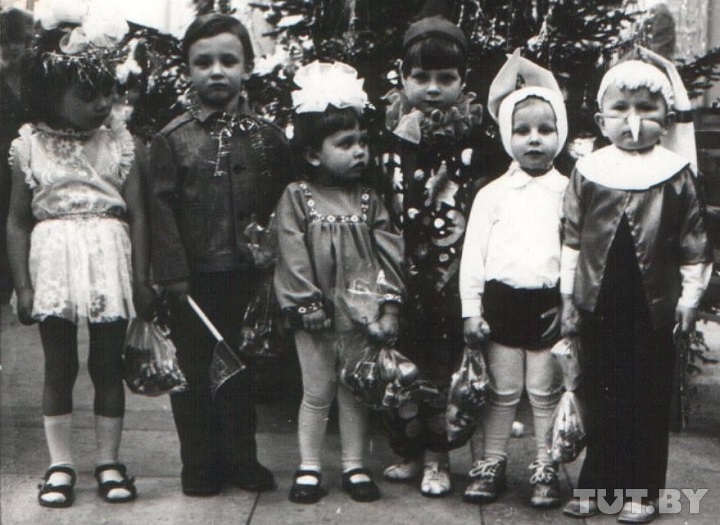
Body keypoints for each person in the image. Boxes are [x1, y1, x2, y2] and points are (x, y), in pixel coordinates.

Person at [5, 7, 154, 508]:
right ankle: (60, 464)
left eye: (106, 90)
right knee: (59, 365)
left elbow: (138, 214)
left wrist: (141, 278)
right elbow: (17, 220)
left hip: (108, 259)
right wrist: (23, 285)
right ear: (52, 93)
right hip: (54, 260)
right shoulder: (29, 148)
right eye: (86, 94)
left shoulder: (119, 144)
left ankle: (109, 461)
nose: (101, 103)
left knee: (107, 365)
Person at [560, 48, 712, 524]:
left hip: (652, 307)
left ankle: (641, 490)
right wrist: (567, 297)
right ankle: (597, 483)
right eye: (621, 109)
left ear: (665, 117)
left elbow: (694, 243)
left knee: (645, 396)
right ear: (601, 119)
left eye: (647, 110)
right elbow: (570, 239)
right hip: (599, 301)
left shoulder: (675, 175)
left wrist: (690, 298)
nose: (633, 122)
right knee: (600, 392)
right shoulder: (589, 171)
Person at [147, 13, 293, 497]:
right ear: (187, 69)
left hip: (250, 276)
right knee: (194, 372)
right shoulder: (173, 139)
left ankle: (241, 459)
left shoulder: (269, 138)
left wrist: (278, 264)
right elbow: (160, 210)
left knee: (243, 370)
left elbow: (285, 204)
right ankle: (198, 463)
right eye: (203, 62)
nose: (216, 71)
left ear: (247, 67)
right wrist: (171, 273)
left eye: (228, 61)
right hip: (194, 282)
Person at [274, 60, 405, 504]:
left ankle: (354, 465)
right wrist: (305, 303)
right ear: (314, 153)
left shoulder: (369, 200)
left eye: (363, 141)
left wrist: (388, 307)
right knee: (317, 390)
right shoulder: (298, 197)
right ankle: (309, 467)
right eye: (345, 143)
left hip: (360, 317)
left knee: (354, 391)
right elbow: (291, 252)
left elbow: (390, 254)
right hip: (315, 315)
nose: (359, 152)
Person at [380, 14, 483, 497]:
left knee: (441, 367)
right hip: (401, 270)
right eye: (421, 77)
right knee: (402, 364)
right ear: (402, 77)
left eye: (446, 78)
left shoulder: (472, 139)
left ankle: (438, 457)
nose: (433, 88)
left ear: (463, 81)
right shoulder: (389, 136)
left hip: (450, 272)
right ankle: (408, 450)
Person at [459, 50, 567, 508]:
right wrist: (471, 311)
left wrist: (568, 304)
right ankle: (491, 463)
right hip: (501, 303)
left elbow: (576, 253)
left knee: (543, 392)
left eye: (545, 129)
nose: (534, 139)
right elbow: (473, 256)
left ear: (561, 132)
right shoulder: (492, 195)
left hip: (547, 304)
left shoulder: (569, 192)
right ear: (507, 136)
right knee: (502, 392)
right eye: (522, 131)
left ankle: (546, 465)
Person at [0, 8, 32, 305]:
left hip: (30, 158)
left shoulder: (36, 78)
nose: (12, 48)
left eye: (17, 41)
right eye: (5, 41)